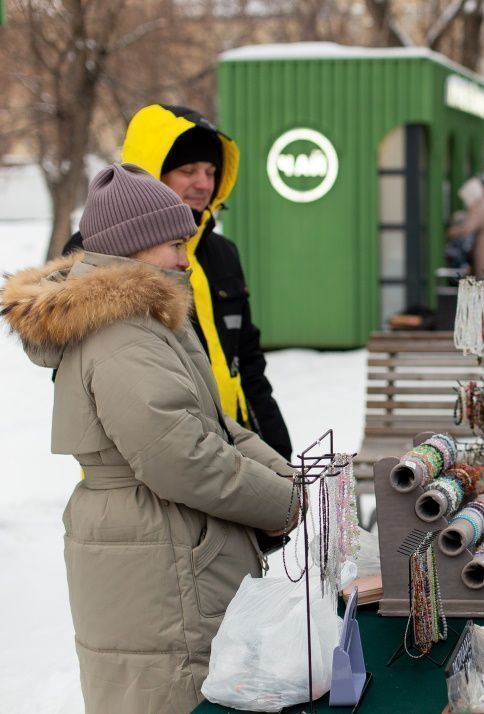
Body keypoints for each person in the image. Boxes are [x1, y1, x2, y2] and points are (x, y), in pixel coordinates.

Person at [2, 164, 299, 713]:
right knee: (171, 694)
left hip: (160, 544)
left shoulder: (142, 316)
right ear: (134, 248)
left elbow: (212, 423)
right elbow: (181, 456)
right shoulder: (120, 332)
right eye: (175, 244)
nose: (187, 258)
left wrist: (286, 477)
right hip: (158, 555)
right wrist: (285, 501)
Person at [65, 104, 292, 459]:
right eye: (188, 170)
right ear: (152, 173)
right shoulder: (96, 252)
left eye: (210, 171)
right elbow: (86, 379)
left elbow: (248, 364)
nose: (203, 183)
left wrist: (277, 449)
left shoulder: (222, 253)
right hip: (150, 465)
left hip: (235, 450)